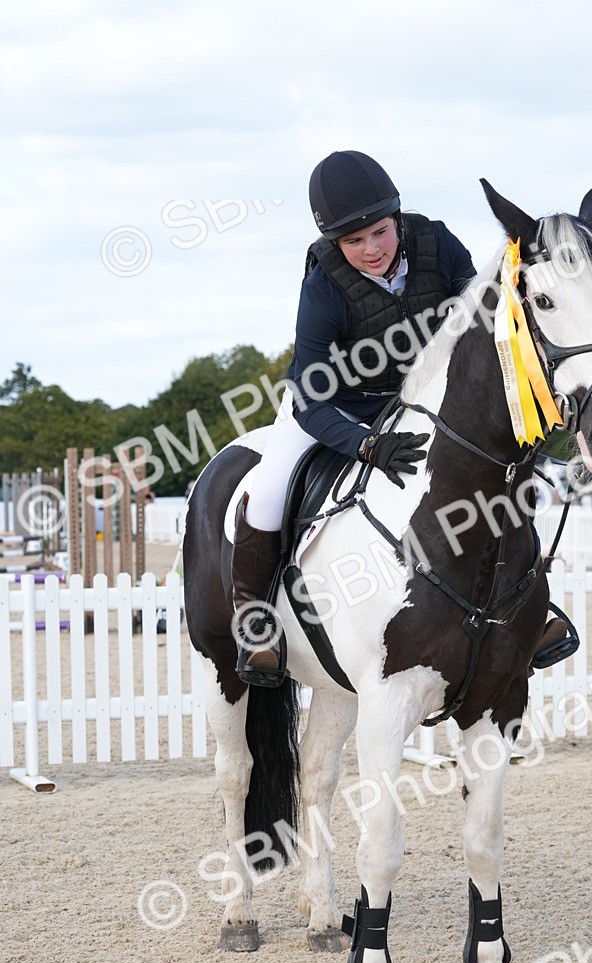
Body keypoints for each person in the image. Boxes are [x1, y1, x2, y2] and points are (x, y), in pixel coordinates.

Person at [232, 150, 477, 685]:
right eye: (353, 241)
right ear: (336, 244)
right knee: (269, 490)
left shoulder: (440, 244)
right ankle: (256, 626)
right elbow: (310, 400)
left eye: (380, 233)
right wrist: (366, 445)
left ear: (398, 219)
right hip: (334, 405)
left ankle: (530, 606)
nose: (370, 250)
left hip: (420, 399)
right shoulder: (323, 287)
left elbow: (479, 329)